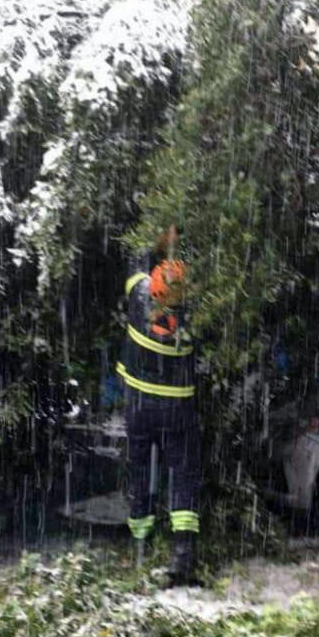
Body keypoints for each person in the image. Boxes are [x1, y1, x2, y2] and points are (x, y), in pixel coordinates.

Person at [117, 225, 202, 587]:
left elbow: (135, 261)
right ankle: (182, 555)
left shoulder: (139, 298)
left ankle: (140, 547)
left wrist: (161, 238)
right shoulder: (192, 319)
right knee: (182, 476)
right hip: (177, 413)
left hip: (138, 407)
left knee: (140, 472)